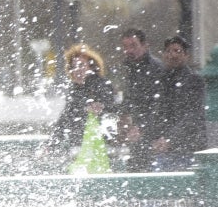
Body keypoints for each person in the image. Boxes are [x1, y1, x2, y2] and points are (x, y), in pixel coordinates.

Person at [147, 36, 207, 171]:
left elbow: (192, 115)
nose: (172, 55)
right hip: (165, 150)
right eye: (168, 51)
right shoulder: (160, 80)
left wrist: (170, 140)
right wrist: (156, 138)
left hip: (188, 148)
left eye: (177, 51)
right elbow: (157, 113)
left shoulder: (194, 80)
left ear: (186, 55)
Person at [48, 43, 116, 159]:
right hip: (82, 148)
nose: (78, 70)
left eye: (81, 65)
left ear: (91, 67)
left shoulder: (99, 84)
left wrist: (98, 107)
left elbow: (110, 105)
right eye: (74, 66)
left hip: (99, 148)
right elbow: (64, 118)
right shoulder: (75, 89)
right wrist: (52, 145)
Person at [117, 28, 163, 172]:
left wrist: (142, 127)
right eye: (125, 46)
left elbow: (160, 105)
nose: (129, 50)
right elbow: (129, 98)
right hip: (137, 135)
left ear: (145, 45)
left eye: (133, 45)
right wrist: (123, 117)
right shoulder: (130, 68)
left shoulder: (156, 68)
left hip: (154, 135)